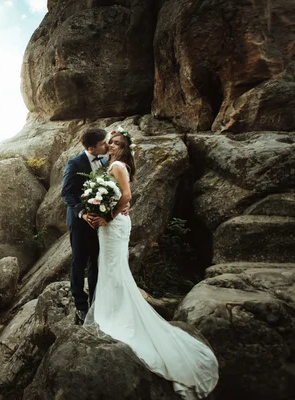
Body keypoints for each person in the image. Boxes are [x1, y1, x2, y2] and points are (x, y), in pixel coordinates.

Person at [84, 129, 219, 399]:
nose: (111, 145)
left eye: (116, 143)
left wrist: (107, 217)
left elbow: (126, 197)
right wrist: (95, 210)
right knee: (112, 268)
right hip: (111, 225)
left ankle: (116, 314)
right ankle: (112, 310)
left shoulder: (119, 165)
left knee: (115, 269)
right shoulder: (111, 165)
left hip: (114, 225)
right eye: (110, 142)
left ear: (123, 148)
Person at [61, 127, 109, 324]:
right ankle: (81, 305)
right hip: (80, 222)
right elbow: (66, 193)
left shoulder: (105, 161)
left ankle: (95, 303)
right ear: (91, 148)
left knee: (97, 262)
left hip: (101, 223)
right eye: (103, 144)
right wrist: (83, 213)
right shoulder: (74, 163)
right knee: (79, 263)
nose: (107, 145)